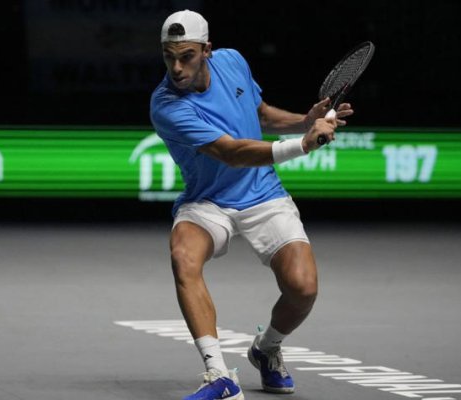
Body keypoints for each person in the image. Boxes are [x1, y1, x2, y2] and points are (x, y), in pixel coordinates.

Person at [150, 9, 353, 400]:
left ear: (207, 50)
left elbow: (260, 114)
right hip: (207, 201)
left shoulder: (233, 61)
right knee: (183, 257)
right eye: (168, 56)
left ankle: (267, 348)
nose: (176, 67)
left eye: (186, 56)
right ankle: (218, 376)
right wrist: (305, 143)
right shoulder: (166, 105)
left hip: (264, 195)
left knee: (303, 288)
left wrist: (303, 120)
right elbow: (232, 152)